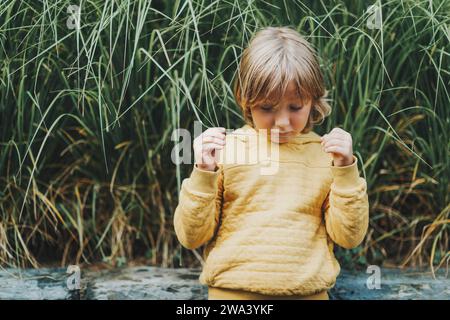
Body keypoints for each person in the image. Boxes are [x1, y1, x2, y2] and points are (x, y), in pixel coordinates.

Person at [173, 26, 369, 300]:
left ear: (313, 99)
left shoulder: (326, 156)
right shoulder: (226, 151)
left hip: (308, 294)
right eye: (267, 108)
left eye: (295, 107)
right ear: (245, 99)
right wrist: (203, 173)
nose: (282, 122)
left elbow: (349, 237)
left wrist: (346, 171)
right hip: (233, 295)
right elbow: (191, 236)